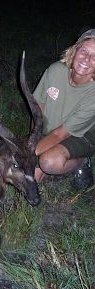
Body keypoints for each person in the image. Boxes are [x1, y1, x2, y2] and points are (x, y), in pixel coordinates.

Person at [34, 28, 95, 189]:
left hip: (81, 135)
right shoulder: (55, 70)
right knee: (31, 174)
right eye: (84, 51)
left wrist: (30, 154)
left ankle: (82, 162)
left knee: (47, 162)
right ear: (75, 50)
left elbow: (60, 134)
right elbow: (37, 110)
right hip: (53, 131)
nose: (87, 59)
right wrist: (33, 139)